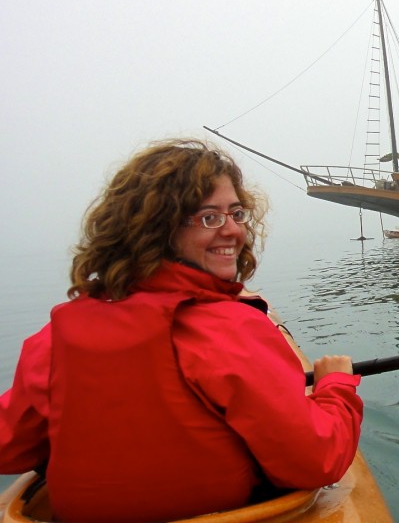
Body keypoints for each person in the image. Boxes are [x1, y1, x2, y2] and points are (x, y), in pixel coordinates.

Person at [0, 139, 363, 523]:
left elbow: (10, 448)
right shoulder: (229, 329)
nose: (233, 231)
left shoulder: (57, 335)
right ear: (159, 228)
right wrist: (335, 389)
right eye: (210, 217)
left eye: (236, 213)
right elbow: (316, 460)